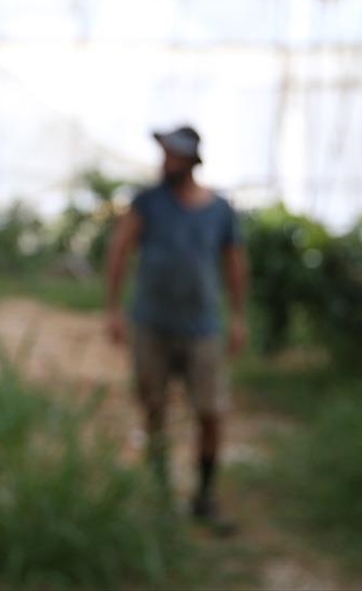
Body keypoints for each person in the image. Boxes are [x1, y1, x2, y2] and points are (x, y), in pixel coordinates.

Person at [104, 125, 248, 533]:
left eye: (171, 155)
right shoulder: (147, 203)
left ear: (189, 161)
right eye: (163, 154)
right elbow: (119, 249)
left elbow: (235, 264)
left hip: (203, 328)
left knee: (211, 412)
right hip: (152, 325)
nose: (164, 161)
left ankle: (204, 495)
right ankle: (158, 493)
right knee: (153, 408)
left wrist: (238, 317)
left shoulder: (220, 211)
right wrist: (113, 309)